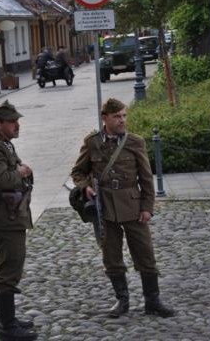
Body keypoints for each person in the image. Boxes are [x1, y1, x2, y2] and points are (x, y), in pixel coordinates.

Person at [71, 98, 175, 319]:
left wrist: (147, 207)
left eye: (124, 116)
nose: (122, 120)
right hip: (105, 208)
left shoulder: (135, 142)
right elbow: (78, 172)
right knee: (111, 256)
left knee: (145, 253)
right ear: (105, 118)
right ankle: (122, 300)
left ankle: (153, 301)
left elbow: (147, 178)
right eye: (117, 116)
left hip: (133, 206)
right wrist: (86, 187)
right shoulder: (92, 143)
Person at [0, 100, 37, 341]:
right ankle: (7, 327)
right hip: (6, 216)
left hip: (11, 213)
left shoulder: (5, 145)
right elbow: (1, 180)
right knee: (9, 268)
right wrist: (22, 172)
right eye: (12, 121)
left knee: (9, 265)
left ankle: (5, 320)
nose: (17, 125)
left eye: (17, 120)